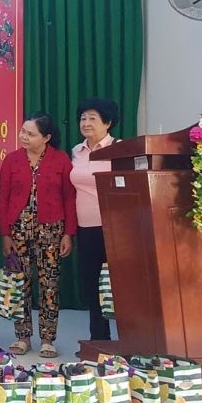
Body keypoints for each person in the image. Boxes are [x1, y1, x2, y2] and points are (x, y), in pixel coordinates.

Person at [0, 112, 77, 358]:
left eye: (30, 134)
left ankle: (47, 339)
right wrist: (5, 234)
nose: (23, 136)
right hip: (18, 231)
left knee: (49, 286)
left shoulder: (61, 159)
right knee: (19, 284)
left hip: (51, 231)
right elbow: (3, 198)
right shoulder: (12, 160)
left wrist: (69, 233)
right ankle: (22, 337)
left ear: (46, 138)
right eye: (23, 131)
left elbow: (69, 197)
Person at [70, 98, 119, 344]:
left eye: (92, 118)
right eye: (83, 118)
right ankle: (99, 340)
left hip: (114, 227)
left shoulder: (120, 149)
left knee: (117, 285)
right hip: (86, 227)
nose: (86, 123)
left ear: (107, 123)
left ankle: (130, 340)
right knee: (91, 283)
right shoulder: (76, 152)